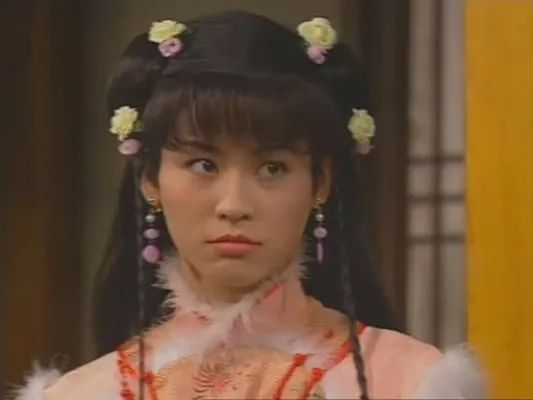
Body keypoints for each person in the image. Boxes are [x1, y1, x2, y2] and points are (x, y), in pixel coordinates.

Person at [14, 10, 486, 400]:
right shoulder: (84, 393)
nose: (234, 204)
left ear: (320, 184)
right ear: (150, 180)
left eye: (272, 168)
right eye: (203, 164)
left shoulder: (416, 381)